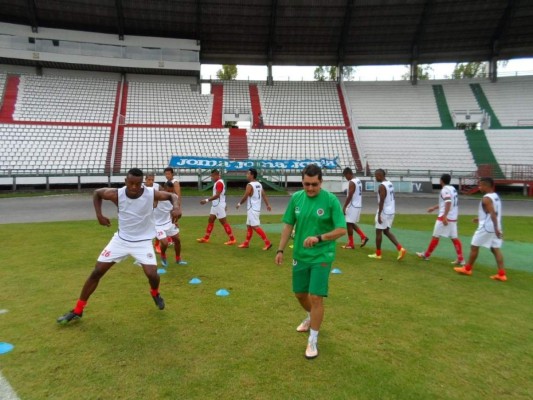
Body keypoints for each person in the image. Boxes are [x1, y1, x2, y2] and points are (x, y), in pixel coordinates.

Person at [57, 168, 181, 324]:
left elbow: (172, 195)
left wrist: (176, 207)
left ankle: (155, 293)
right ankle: (78, 310)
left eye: (137, 184)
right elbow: (97, 193)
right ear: (125, 181)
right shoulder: (116, 194)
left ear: (142, 183)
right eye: (131, 183)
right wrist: (99, 215)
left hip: (142, 242)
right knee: (97, 272)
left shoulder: (150, 193)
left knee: (152, 274)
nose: (134, 187)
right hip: (121, 240)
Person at [275, 164, 346, 360]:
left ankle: (313, 340)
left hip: (322, 256)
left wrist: (320, 238)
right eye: (306, 184)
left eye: (314, 184)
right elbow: (288, 225)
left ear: (321, 182)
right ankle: (311, 317)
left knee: (316, 297)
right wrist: (280, 249)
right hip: (300, 255)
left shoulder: (331, 201)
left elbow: (341, 230)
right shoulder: (296, 198)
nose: (310, 188)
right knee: (299, 294)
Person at [454, 177, 507, 281]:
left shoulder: (486, 198)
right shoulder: (496, 196)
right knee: (495, 248)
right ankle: (502, 274)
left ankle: (467, 268)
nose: (479, 187)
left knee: (474, 246)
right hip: (495, 225)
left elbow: (492, 213)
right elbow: (492, 212)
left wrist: (495, 228)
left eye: (481, 185)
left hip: (488, 227)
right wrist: (480, 219)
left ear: (487, 186)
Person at [416, 174, 465, 264]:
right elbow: (446, 203)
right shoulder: (453, 189)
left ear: (441, 181)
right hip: (453, 217)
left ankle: (426, 255)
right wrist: (434, 208)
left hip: (445, 216)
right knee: (454, 238)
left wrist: (445, 216)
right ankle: (461, 259)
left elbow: (448, 202)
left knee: (436, 236)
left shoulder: (444, 190)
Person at [368, 169, 406, 260]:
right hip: (391, 210)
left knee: (378, 232)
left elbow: (382, 200)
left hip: (384, 211)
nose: (375, 177)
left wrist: (380, 214)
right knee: (386, 231)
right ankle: (400, 248)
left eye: (376, 176)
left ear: (380, 175)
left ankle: (378, 254)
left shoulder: (382, 186)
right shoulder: (389, 183)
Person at [236, 168, 273, 250]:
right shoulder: (259, 184)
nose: (247, 175)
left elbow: (246, 196)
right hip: (255, 208)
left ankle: (267, 242)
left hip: (252, 208)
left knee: (255, 226)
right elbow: (263, 194)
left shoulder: (249, 185)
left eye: (248, 174)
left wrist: (239, 204)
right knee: (248, 225)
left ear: (252, 175)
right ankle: (246, 243)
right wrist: (268, 205)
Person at [197, 169, 236, 245]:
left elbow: (218, 195)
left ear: (217, 175)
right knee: (210, 220)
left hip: (218, 206)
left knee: (224, 222)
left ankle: (232, 239)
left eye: (212, 176)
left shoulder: (219, 183)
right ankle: (206, 238)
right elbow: (222, 195)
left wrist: (207, 200)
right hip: (215, 205)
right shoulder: (217, 183)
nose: (211, 177)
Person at [155, 180, 188, 268]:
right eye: (168, 191)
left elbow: (173, 211)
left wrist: (175, 221)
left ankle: (178, 259)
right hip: (157, 225)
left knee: (177, 240)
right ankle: (163, 256)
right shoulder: (157, 197)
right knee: (165, 243)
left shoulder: (174, 197)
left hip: (169, 223)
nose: (170, 193)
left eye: (171, 191)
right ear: (164, 189)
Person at [341, 167, 369, 249]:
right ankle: (363, 236)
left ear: (348, 174)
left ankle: (351, 243)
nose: (346, 178)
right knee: (351, 223)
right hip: (358, 204)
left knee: (348, 223)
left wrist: (345, 206)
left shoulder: (352, 182)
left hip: (352, 205)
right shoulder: (358, 180)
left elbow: (350, 195)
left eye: (345, 176)